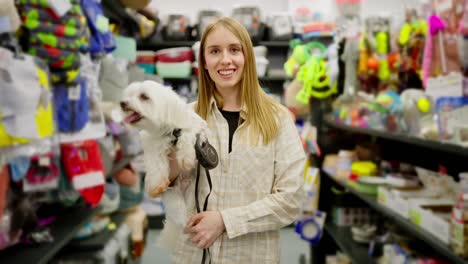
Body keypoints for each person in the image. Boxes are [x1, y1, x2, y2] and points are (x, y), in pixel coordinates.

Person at [168, 17, 306, 263]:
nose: (225, 59)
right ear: (204, 63)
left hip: (253, 256)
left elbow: (291, 200)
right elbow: (161, 187)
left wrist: (225, 220)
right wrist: (170, 159)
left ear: (248, 58)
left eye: (234, 50)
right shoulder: (185, 118)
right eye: (214, 51)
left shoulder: (278, 119)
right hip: (194, 253)